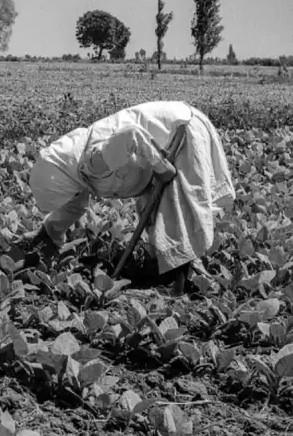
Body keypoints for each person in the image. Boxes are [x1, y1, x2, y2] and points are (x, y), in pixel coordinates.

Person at [28, 101, 236, 295]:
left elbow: (131, 134)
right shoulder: (74, 176)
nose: (70, 197)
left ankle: (183, 286)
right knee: (160, 219)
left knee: (178, 214)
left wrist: (161, 166)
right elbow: (72, 207)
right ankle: (172, 273)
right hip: (155, 154)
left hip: (178, 133)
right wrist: (49, 233)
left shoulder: (93, 162)